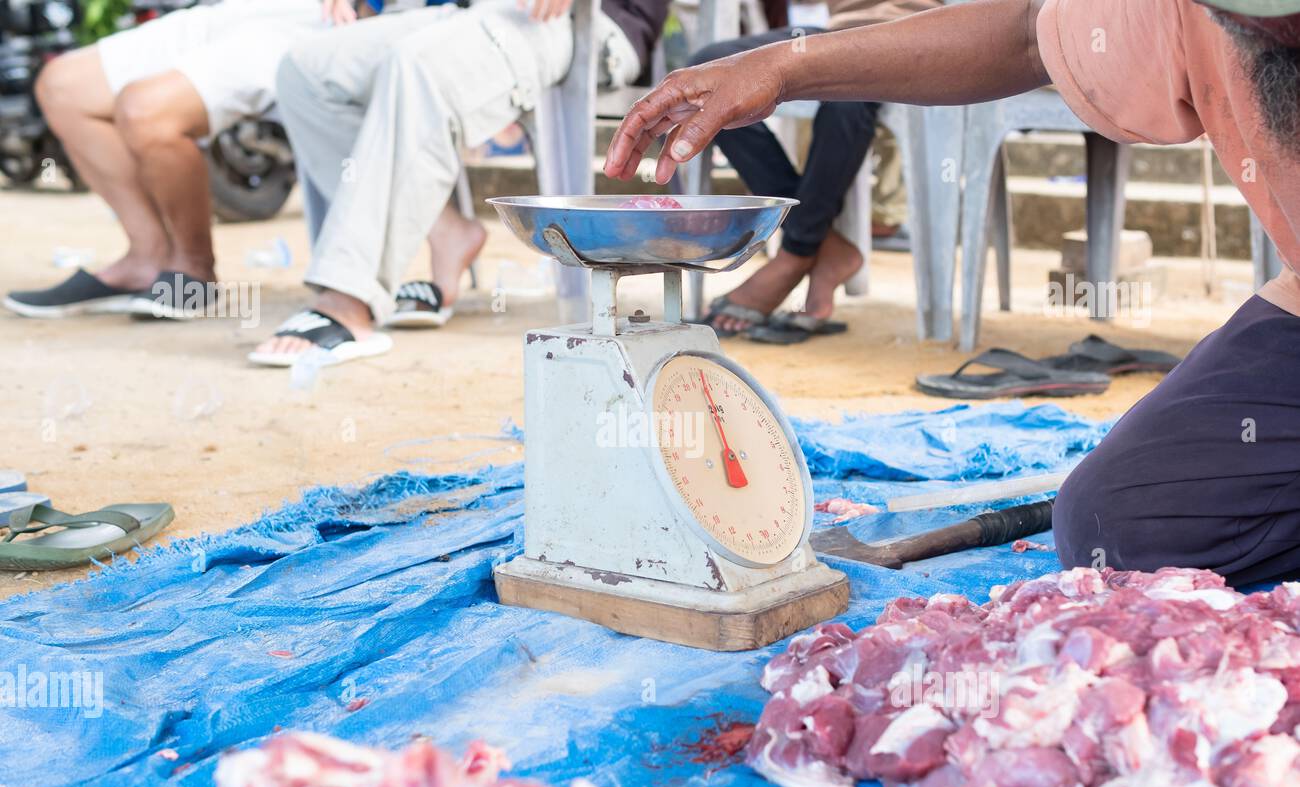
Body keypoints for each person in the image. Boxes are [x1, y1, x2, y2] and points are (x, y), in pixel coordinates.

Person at [606, 0, 1300, 587]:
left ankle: (805, 252)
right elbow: (1030, 31)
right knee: (1114, 523)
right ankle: (808, 247)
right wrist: (783, 68)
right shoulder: (1182, 12)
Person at [250, 0, 668, 367]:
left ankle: (349, 298)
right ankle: (445, 229)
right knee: (305, 70)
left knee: (417, 67)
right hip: (466, 12)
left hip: (583, 18)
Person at [3, 0, 328, 319]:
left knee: (145, 110)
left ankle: (194, 269)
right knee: (62, 85)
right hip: (226, 9)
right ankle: (147, 256)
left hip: (310, 16)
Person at [689, 0, 936, 343]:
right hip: (836, 34)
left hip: (918, 33)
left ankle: (798, 252)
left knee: (849, 91)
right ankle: (826, 246)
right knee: (707, 73)